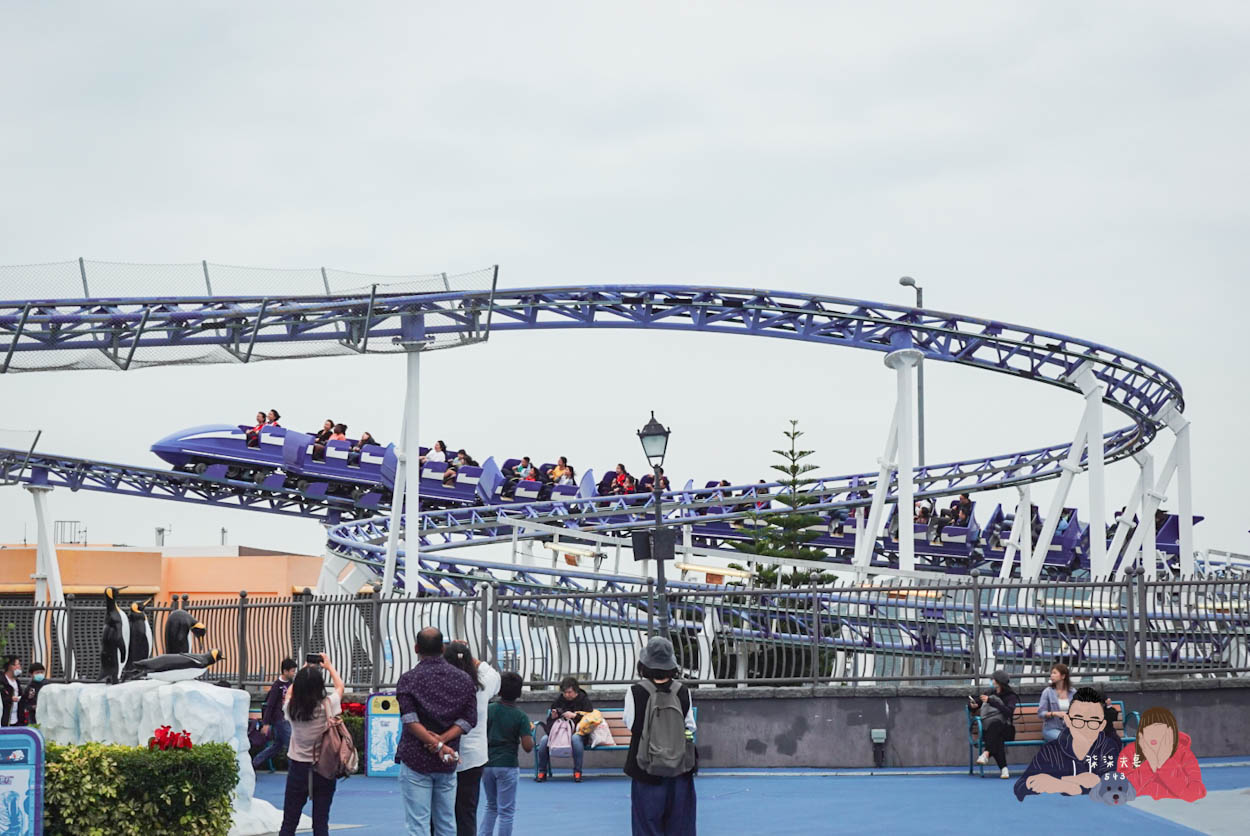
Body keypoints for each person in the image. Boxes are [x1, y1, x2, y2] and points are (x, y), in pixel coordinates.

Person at [395, 627, 478, 836]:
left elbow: (410, 720)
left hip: (416, 758)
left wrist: (436, 743)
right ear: (442, 648)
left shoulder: (408, 679)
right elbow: (469, 720)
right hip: (448, 761)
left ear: (416, 648)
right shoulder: (464, 679)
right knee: (446, 823)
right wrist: (444, 742)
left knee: (418, 825)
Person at [624, 637, 697, 836]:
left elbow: (631, 724)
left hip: (646, 768)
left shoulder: (635, 692)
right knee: (680, 826)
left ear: (645, 663)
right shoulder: (682, 691)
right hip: (680, 767)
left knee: (646, 825)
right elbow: (690, 725)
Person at [1013, 686, 1122, 800]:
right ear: (1068, 721)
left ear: (1101, 724)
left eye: (1092, 722)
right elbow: (1020, 787)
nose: (1085, 727)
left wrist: (1067, 782)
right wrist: (1062, 783)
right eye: (1078, 720)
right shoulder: (1050, 752)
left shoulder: (1107, 749)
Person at [278, 652, 344, 836]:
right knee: (321, 823)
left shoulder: (291, 708)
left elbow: (290, 692)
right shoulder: (327, 705)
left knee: (289, 822)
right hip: (324, 768)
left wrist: (305, 670)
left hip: (298, 767)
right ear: (320, 686)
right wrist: (328, 666)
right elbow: (340, 687)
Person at [443, 642, 501, 836]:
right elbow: (494, 674)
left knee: (441, 812)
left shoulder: (443, 686)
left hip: (444, 753)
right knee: (467, 810)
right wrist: (466, 654)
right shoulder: (482, 686)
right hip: (474, 757)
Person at [479, 672, 534, 836]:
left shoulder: (488, 709)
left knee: (491, 805)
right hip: (508, 763)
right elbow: (528, 747)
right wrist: (528, 732)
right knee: (506, 812)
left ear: (499, 690)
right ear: (519, 693)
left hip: (487, 763)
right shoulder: (521, 716)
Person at [1118, 706, 1205, 801]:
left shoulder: (1183, 754)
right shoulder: (1130, 754)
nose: (1153, 735)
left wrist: (1164, 763)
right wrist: (1149, 764)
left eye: (1159, 730)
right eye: (1148, 730)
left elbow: (1195, 792)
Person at [534, 676, 594, 782]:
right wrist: (553, 717)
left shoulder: (584, 700)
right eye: (564, 692)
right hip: (559, 734)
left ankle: (577, 772)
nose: (567, 695)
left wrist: (575, 716)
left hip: (579, 733)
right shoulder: (558, 701)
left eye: (569, 692)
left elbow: (590, 719)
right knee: (544, 740)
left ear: (576, 691)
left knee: (575, 739)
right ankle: (542, 772)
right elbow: (549, 724)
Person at [970, 670, 1019, 778]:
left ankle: (986, 753)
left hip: (1006, 729)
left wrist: (991, 701)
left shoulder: (1010, 696)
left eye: (993, 679)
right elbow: (977, 702)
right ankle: (1004, 769)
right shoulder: (990, 692)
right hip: (990, 730)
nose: (991, 681)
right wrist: (972, 705)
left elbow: (1008, 712)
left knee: (996, 726)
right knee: (997, 738)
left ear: (998, 681)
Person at [253, 658, 298, 772]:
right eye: (292, 671)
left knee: (277, 746)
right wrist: (266, 723)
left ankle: (255, 762)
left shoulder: (290, 684)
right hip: (280, 719)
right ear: (285, 671)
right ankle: (294, 770)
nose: (293, 673)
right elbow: (270, 705)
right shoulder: (277, 686)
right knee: (291, 744)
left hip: (287, 717)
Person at [1037, 662, 1075, 742]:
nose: (1052, 675)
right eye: (1051, 673)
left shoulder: (1073, 692)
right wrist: (1054, 713)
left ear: (1063, 676)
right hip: (1051, 729)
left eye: (1054, 673)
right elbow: (1040, 713)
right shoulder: (1047, 692)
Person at [0, 657, 21, 727]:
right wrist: (10, 699)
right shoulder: (2, 682)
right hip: (4, 719)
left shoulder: (17, 681)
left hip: (16, 719)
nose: (19, 667)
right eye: (17, 664)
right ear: (10, 666)